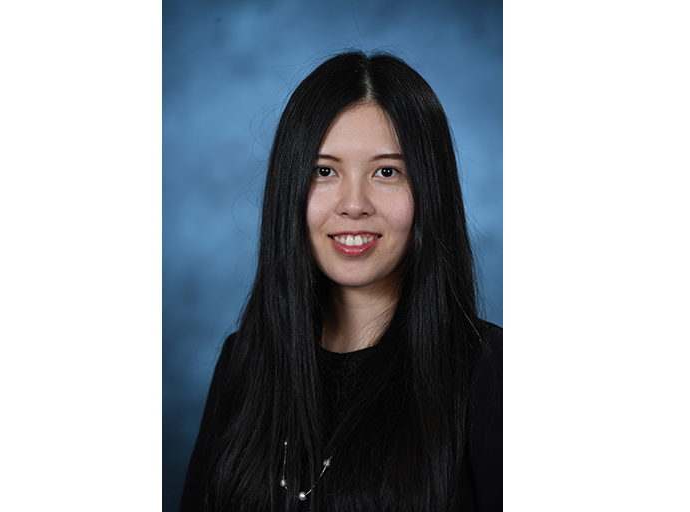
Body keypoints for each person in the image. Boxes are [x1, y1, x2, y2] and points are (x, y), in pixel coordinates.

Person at [180, 51, 501, 511]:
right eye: (324, 171)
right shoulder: (243, 364)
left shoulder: (488, 371)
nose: (353, 204)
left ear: (429, 191)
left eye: (386, 172)